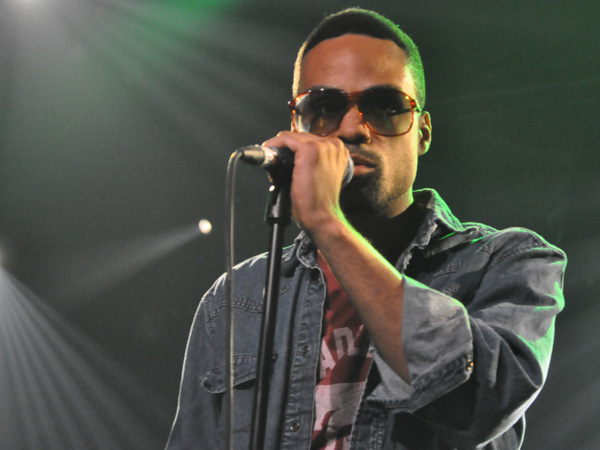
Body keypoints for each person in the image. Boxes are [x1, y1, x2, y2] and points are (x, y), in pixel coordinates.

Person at [166, 8, 566, 450]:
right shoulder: (236, 298)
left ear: (422, 132)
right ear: (297, 125)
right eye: (324, 107)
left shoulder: (509, 262)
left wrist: (326, 222)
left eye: (385, 106)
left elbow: (478, 405)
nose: (353, 128)